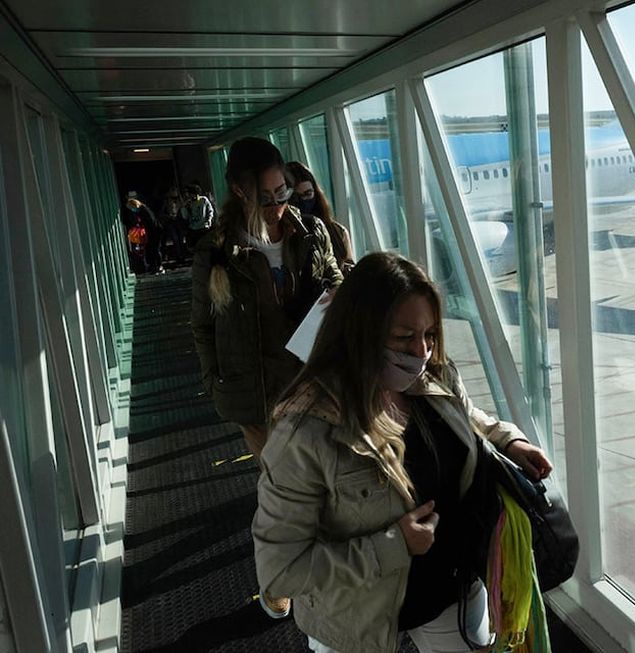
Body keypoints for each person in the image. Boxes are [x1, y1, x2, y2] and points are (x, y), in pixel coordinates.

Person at [253, 252, 554, 653]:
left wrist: (507, 440)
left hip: (450, 589)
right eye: (403, 338)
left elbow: (463, 413)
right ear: (361, 332)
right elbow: (280, 570)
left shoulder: (431, 377)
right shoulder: (305, 432)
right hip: (356, 616)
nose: (422, 351)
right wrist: (392, 546)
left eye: (430, 335)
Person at [191, 136, 344, 617]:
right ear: (240, 191)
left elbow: (335, 278)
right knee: (281, 486)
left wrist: (337, 297)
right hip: (254, 393)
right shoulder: (217, 251)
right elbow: (202, 325)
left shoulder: (310, 231)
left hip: (308, 383)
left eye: (284, 192)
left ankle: (316, 570)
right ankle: (280, 577)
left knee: (317, 482)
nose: (280, 204)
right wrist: (216, 380)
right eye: (269, 196)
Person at [286, 161, 355, 274]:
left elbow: (348, 268)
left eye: (308, 194)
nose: (303, 201)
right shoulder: (280, 236)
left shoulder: (338, 232)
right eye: (296, 197)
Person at [126, 197, 163, 274]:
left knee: (155, 249)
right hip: (152, 231)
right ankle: (155, 266)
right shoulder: (142, 210)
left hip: (154, 232)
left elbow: (151, 222)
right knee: (152, 249)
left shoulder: (143, 211)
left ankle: (158, 266)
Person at [182, 183, 215, 248]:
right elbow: (185, 217)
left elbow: (210, 210)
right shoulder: (189, 203)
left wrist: (209, 220)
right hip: (194, 228)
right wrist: (184, 207)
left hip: (203, 227)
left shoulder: (204, 200)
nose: (193, 196)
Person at [159, 187, 187, 263]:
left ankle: (182, 255)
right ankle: (178, 255)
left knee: (180, 238)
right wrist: (168, 216)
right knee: (175, 239)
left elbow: (183, 206)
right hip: (171, 221)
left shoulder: (179, 200)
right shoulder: (167, 201)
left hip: (179, 220)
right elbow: (162, 212)